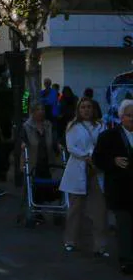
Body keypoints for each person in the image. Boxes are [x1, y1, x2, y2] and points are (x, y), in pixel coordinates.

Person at [60, 97, 108, 257]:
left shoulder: (101, 126)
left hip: (96, 169)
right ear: (78, 110)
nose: (86, 110)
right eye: (83, 107)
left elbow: (103, 145)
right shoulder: (73, 126)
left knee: (99, 209)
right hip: (79, 167)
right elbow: (71, 147)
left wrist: (95, 158)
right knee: (75, 208)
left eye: (89, 107)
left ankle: (99, 245)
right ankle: (71, 241)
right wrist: (86, 156)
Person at [92, 99, 133, 274]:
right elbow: (97, 159)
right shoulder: (109, 136)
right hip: (119, 189)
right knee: (124, 225)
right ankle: (127, 261)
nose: (132, 119)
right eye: (129, 116)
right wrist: (113, 161)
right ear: (121, 117)